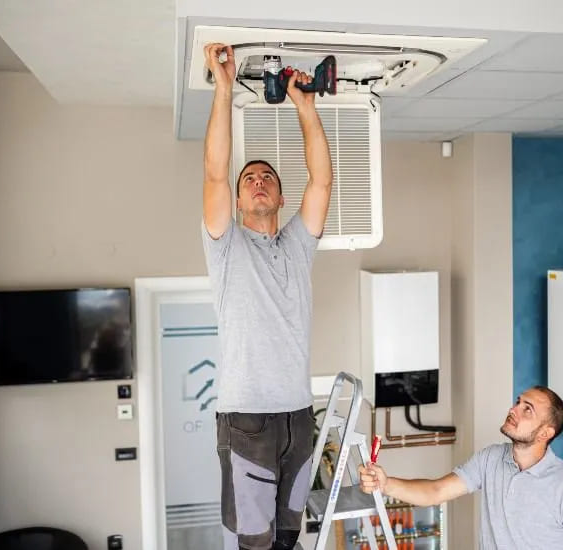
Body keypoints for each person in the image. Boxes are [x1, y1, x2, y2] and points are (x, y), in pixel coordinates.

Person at [201, 43, 333, 550]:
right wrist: (224, 86)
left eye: (267, 178)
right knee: (255, 544)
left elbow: (321, 180)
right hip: (247, 420)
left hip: (298, 417)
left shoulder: (298, 245)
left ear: (279, 198)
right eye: (249, 179)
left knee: (288, 538)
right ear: (237, 201)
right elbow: (215, 171)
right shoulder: (225, 246)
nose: (257, 181)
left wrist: (306, 107)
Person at [359, 386, 563, 550]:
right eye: (518, 402)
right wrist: (386, 483)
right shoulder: (490, 459)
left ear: (546, 433)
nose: (513, 410)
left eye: (528, 409)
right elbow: (436, 491)